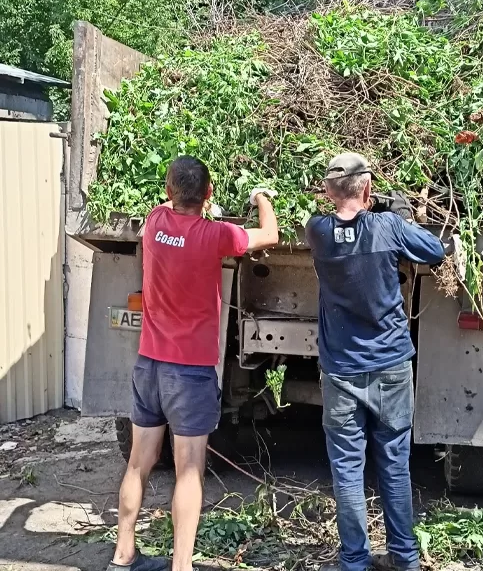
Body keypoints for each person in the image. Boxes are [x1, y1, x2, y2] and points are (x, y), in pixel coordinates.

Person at [106, 155, 279, 571]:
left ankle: (122, 556)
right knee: (188, 470)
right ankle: (181, 566)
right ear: (209, 193)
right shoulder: (215, 235)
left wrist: (192, 200)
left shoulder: (154, 223)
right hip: (190, 372)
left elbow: (174, 204)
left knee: (138, 462)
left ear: (168, 192)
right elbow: (270, 234)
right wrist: (261, 197)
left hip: (149, 365)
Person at [305, 153, 445, 571]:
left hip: (340, 370)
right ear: (367, 188)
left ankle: (354, 561)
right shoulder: (388, 227)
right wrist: (396, 211)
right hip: (390, 367)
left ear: (327, 191)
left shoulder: (317, 231)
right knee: (394, 466)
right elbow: (434, 251)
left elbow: (340, 220)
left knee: (348, 469)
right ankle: (405, 558)